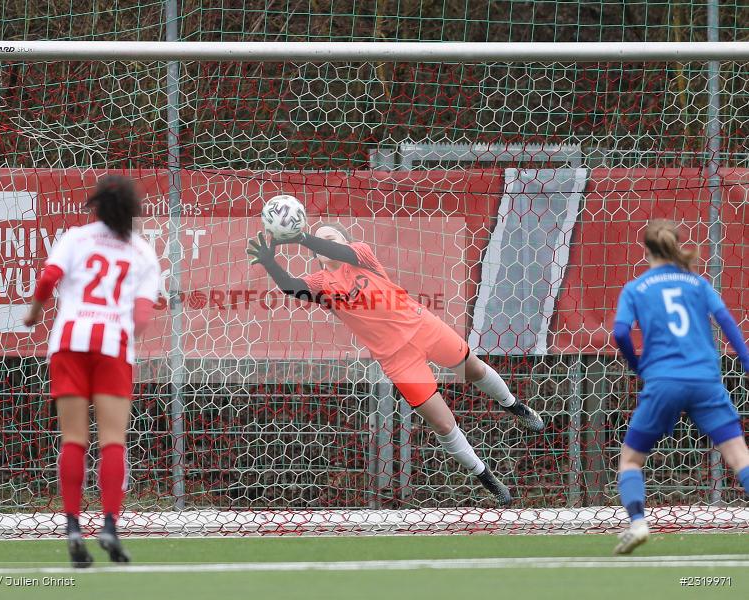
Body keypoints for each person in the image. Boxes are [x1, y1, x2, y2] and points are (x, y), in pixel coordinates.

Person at [247, 223, 544, 505]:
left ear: (344, 242)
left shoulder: (360, 255)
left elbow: (341, 252)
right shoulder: (321, 284)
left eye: (332, 237)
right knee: (442, 422)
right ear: (316, 256)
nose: (327, 243)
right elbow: (290, 287)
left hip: (423, 327)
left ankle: (515, 406)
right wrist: (270, 262)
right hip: (397, 359)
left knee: (473, 370)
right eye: (321, 240)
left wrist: (301, 237)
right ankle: (487, 477)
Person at [23, 175, 161, 568]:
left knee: (73, 438)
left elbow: (49, 279)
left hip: (68, 342)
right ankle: (110, 526)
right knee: (113, 440)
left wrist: (34, 313)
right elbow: (142, 316)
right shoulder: (142, 252)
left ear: (96, 206)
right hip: (112, 347)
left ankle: (71, 526)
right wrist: (121, 333)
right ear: (132, 211)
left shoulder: (76, 238)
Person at [612, 219, 749, 554]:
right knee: (737, 455)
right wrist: (746, 362)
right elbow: (728, 323)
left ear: (646, 251)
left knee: (630, 461)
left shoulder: (636, 288)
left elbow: (619, 332)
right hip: (705, 380)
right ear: (675, 245)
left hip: (663, 382)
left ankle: (639, 523)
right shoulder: (697, 283)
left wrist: (637, 365)